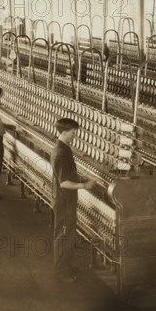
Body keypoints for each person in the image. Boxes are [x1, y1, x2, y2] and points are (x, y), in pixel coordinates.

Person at [51, 118, 96, 283]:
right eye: (73, 132)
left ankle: (66, 266)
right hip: (64, 201)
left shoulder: (63, 148)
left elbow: (67, 175)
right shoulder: (61, 153)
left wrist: (81, 177)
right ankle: (62, 272)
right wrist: (84, 185)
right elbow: (64, 182)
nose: (75, 135)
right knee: (63, 236)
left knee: (68, 234)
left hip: (65, 199)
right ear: (63, 132)